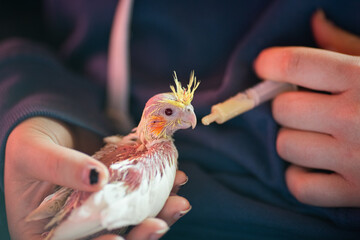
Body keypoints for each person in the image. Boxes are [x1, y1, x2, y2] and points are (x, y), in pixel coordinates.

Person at [1, 0, 360, 239]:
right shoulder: (145, 157)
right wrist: (36, 104)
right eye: (172, 111)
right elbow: (18, 17)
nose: (189, 116)